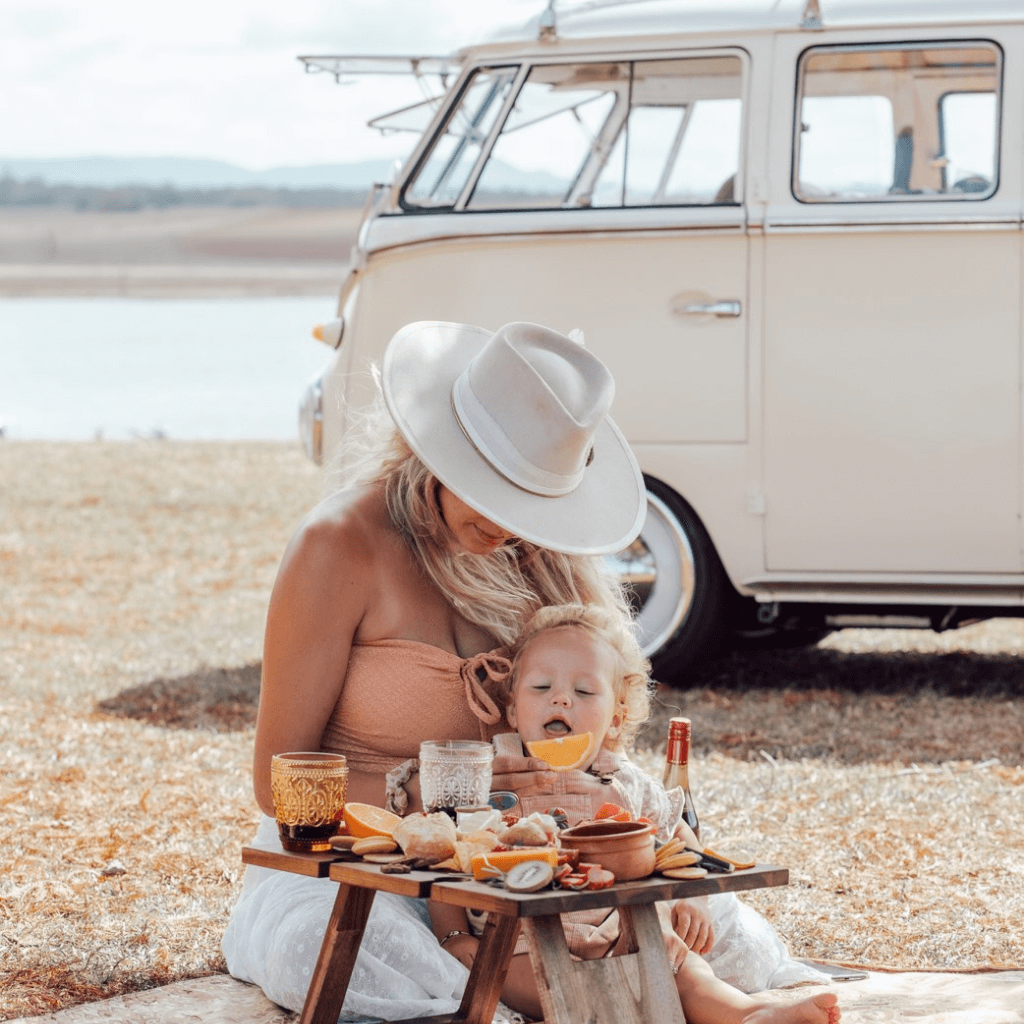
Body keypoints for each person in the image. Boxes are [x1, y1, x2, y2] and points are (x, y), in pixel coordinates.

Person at [221, 320, 649, 1022]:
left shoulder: (545, 558)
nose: (512, 525)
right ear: (446, 454)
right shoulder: (338, 548)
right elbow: (278, 783)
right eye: (499, 491)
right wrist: (414, 797)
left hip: (519, 863)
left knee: (707, 930)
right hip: (357, 864)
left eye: (535, 502)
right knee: (355, 957)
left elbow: (598, 735)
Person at [428, 604, 840, 1024]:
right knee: (529, 983)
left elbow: (677, 833)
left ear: (614, 721)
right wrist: (453, 933)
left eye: (584, 692)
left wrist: (693, 894)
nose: (561, 697)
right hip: (519, 940)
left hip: (621, 927)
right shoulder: (494, 773)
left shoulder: (625, 781)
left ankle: (747, 1012)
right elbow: (447, 849)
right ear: (513, 710)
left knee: (685, 971)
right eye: (540, 687)